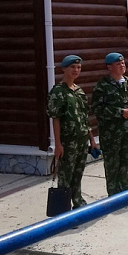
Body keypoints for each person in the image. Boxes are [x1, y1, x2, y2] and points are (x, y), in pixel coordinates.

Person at [47, 54, 98, 209]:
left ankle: (78, 202)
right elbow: (55, 118)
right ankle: (63, 207)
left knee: (78, 173)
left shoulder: (79, 91)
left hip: (82, 139)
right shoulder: (58, 92)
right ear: (64, 69)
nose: (76, 70)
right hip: (68, 141)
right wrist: (58, 144)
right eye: (72, 67)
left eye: (78, 67)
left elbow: (84, 117)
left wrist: (93, 140)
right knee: (65, 175)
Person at [92, 52, 128, 196]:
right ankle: (113, 195)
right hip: (112, 134)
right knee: (112, 165)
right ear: (109, 67)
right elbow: (97, 108)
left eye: (123, 63)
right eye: (118, 64)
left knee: (126, 162)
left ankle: (124, 192)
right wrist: (118, 112)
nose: (122, 66)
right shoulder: (102, 85)